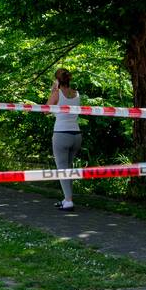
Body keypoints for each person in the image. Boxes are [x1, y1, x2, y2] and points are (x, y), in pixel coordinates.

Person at [48, 67, 82, 211]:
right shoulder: (76, 93)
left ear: (57, 80)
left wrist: (53, 90)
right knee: (69, 167)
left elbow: (47, 109)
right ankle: (67, 198)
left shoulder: (57, 93)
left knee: (62, 169)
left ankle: (68, 201)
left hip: (61, 134)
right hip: (76, 135)